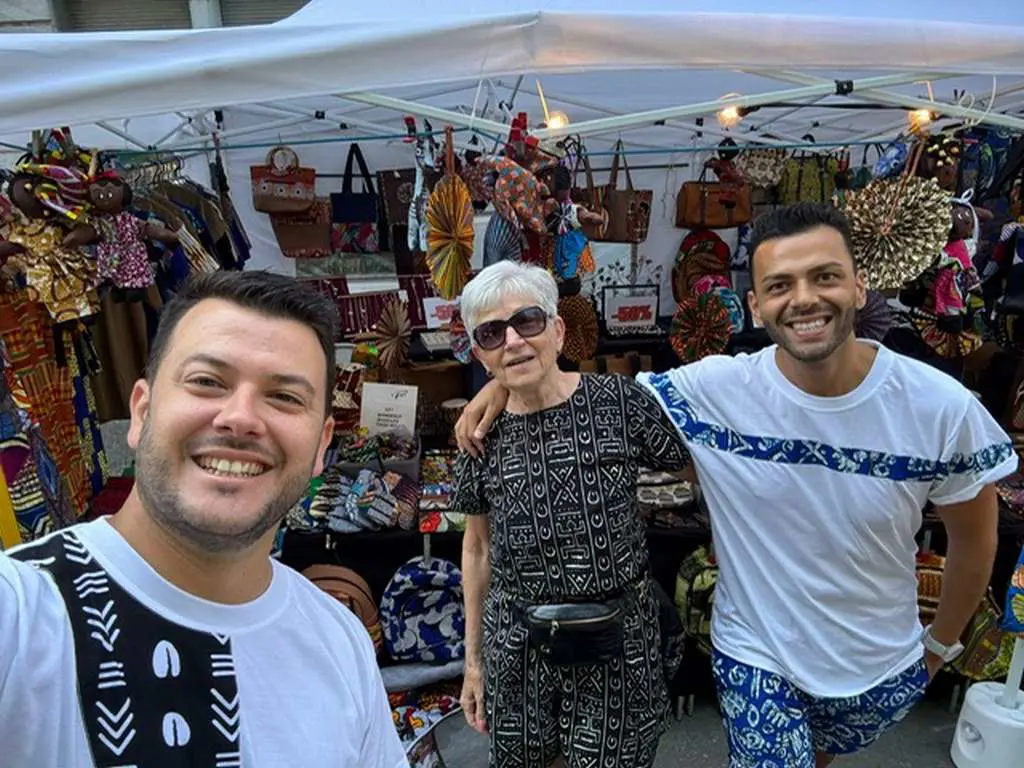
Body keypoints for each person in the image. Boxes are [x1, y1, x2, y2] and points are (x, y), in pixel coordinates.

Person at [456, 202, 1017, 767]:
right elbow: (562, 397)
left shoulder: (940, 408)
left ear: (859, 285)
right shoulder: (719, 388)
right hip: (754, 652)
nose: (803, 299)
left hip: (877, 661)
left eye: (825, 276)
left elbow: (975, 540)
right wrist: (504, 383)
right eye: (780, 285)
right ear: (755, 304)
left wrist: (939, 646)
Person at [0, 271, 407, 768]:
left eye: (284, 397)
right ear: (142, 412)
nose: (241, 418)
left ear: (322, 445)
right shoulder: (22, 614)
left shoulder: (340, 641)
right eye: (207, 382)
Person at [453, 260, 692, 768]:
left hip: (617, 639)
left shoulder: (620, 403)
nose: (513, 341)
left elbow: (696, 467)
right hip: (517, 643)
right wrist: (473, 662)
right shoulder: (478, 436)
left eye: (528, 321)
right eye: (492, 333)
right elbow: (477, 548)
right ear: (479, 354)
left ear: (558, 330)